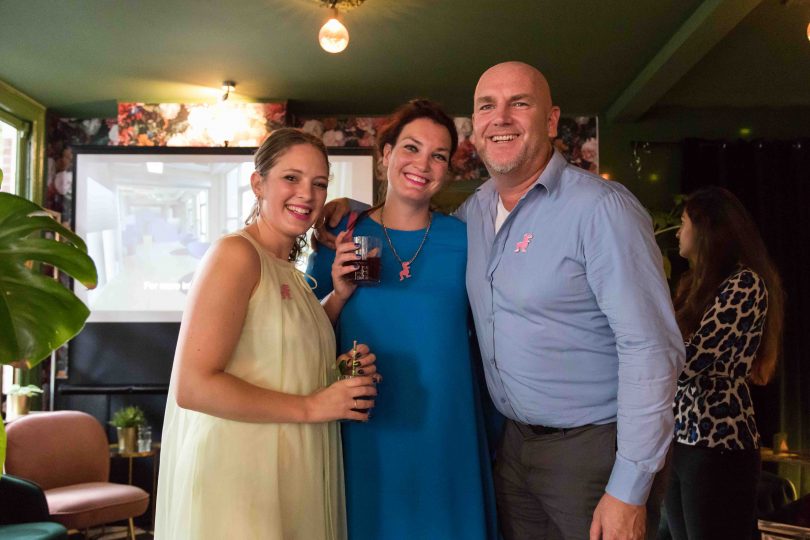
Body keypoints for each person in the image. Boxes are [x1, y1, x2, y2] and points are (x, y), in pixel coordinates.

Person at [316, 62, 684, 540]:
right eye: (488, 106)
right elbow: (400, 223)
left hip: (588, 450)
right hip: (508, 449)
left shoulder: (599, 208)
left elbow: (651, 348)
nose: (501, 117)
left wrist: (630, 488)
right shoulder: (475, 213)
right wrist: (351, 211)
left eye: (520, 103)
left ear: (551, 121)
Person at [154, 128, 379, 540]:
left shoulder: (287, 269)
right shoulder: (236, 254)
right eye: (291, 178)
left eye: (319, 184)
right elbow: (194, 387)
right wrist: (315, 406)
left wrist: (338, 300)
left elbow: (279, 344)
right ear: (258, 183)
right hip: (243, 476)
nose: (307, 194)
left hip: (289, 466)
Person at [307, 99, 498, 539]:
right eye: (411, 148)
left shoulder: (467, 240)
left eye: (438, 155)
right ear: (386, 154)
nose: (423, 164)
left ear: (447, 169)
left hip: (446, 426)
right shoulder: (341, 236)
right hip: (364, 426)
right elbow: (306, 335)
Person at [664, 186, 784, 540]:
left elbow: (692, 360)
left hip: (717, 441)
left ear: (706, 230)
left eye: (683, 223)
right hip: (680, 439)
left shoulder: (744, 284)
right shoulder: (692, 285)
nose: (677, 232)